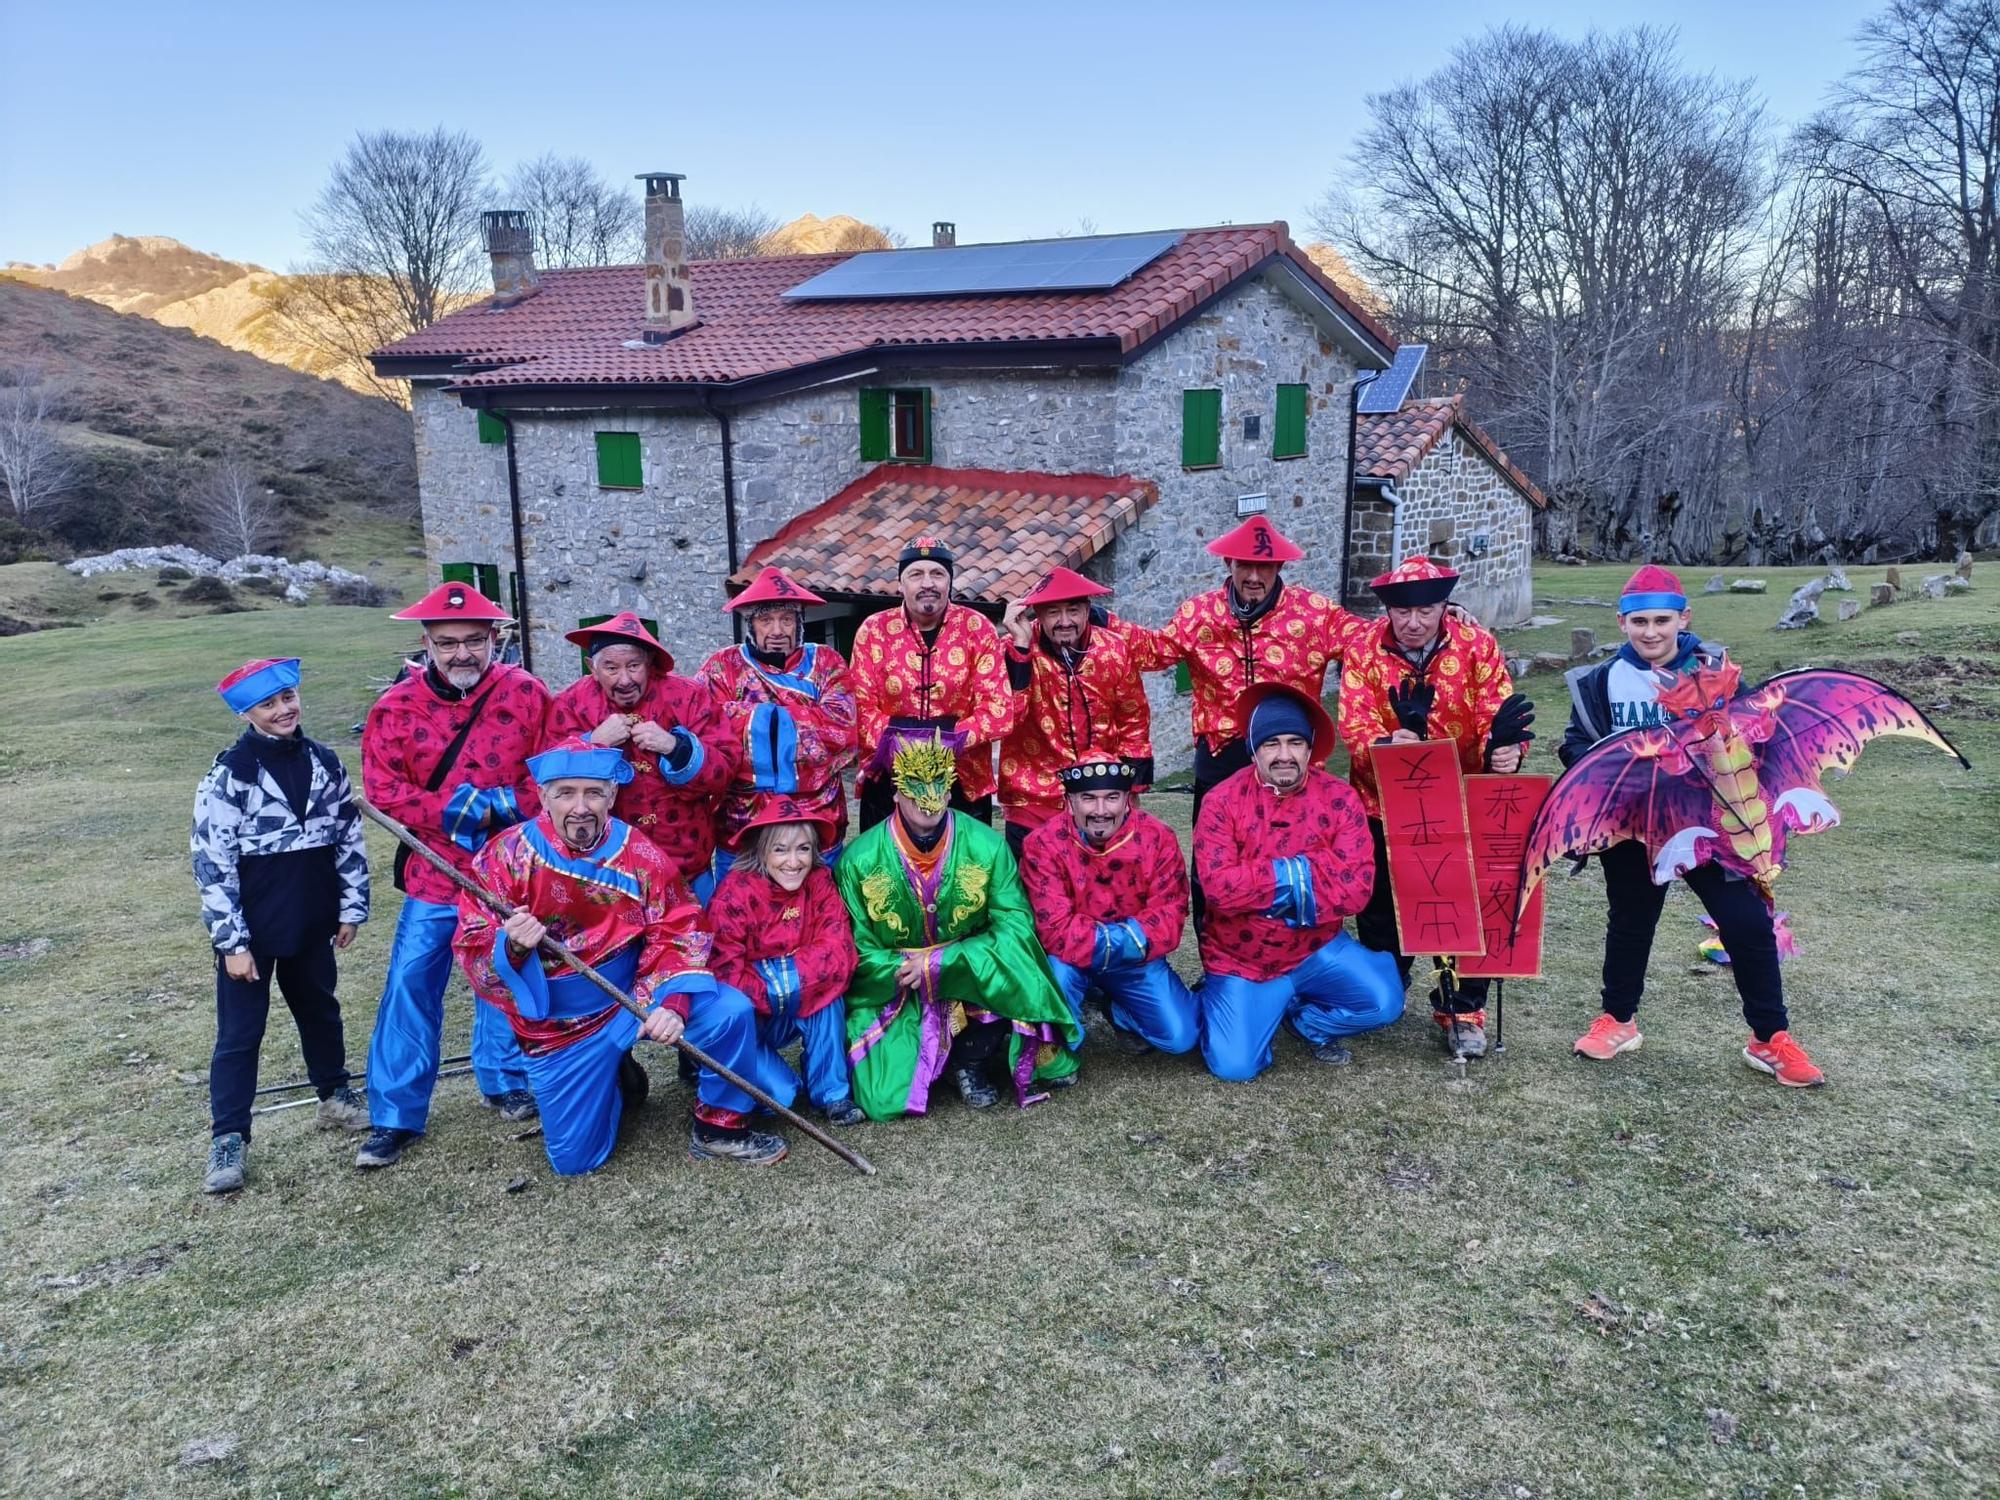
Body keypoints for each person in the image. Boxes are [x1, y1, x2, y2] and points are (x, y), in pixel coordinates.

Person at [452, 739, 798, 1170]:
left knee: (729, 1012)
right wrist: (512, 946)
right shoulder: (504, 857)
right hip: (562, 1024)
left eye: (594, 792)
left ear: (612, 795)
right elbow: (473, 946)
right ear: (542, 796)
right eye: (566, 793)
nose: (581, 807)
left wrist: (671, 1002)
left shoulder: (637, 851)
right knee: (576, 1161)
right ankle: (617, 1077)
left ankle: (719, 1127)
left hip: (637, 995)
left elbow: (679, 924)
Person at [1560, 565, 1823, 1087]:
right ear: (1622, 623)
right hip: (1633, 825)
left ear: (1684, 618)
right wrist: (1594, 760)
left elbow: (1758, 732)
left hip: (1712, 822)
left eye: (1662, 620)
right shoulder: (1600, 680)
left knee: (1746, 923)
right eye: (1639, 622)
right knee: (1631, 921)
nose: (1651, 632)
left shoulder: (1715, 669)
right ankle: (1618, 1019)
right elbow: (1576, 743)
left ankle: (1769, 1038)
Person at [355, 581, 546, 1170]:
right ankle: (394, 1114)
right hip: (434, 879)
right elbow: (384, 790)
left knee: (505, 974)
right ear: (426, 643)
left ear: (495, 640)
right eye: (447, 643)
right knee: (412, 985)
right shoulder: (394, 708)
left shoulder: (529, 694)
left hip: (507, 874)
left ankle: (504, 1077)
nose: (461, 653)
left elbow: (552, 773)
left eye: (473, 641)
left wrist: (498, 807)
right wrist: (459, 811)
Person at [1337, 555, 1535, 1058]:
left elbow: (1497, 709)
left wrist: (1506, 749)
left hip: (1462, 800)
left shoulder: (1476, 645)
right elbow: (1353, 725)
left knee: (1464, 906)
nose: (1414, 623)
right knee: (1381, 908)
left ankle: (1462, 1009)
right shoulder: (1363, 650)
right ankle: (1384, 990)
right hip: (1382, 801)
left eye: (1425, 611)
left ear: (1445, 606)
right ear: (1388, 611)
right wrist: (1391, 743)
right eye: (1403, 613)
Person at [1123, 516, 1367, 920]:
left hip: (1291, 758)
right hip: (1221, 755)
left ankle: (1296, 949)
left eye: (1264, 567)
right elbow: (1154, 651)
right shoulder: (1199, 613)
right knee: (1213, 862)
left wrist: (1443, 616)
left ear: (1279, 568)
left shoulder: (1315, 614)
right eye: (1244, 566)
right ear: (1228, 566)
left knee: (1290, 858)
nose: (1253, 576)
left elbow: (1371, 641)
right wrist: (1096, 622)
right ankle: (1216, 955)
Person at [191, 657, 370, 1193]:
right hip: (254, 928)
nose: (283, 709)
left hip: (312, 917)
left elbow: (347, 837)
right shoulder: (229, 776)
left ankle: (335, 1096)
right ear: (247, 713)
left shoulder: (325, 762)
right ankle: (229, 1138)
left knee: (320, 1010)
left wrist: (349, 907)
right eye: (267, 704)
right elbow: (211, 863)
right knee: (241, 1034)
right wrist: (231, 943)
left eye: (288, 696)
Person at [835, 732, 1080, 1117]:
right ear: (896, 792)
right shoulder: (859, 860)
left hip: (970, 976)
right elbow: (855, 945)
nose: (927, 799)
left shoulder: (987, 846)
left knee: (1015, 963)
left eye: (938, 785)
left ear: (951, 789)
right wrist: (904, 969)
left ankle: (972, 1057)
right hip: (898, 986)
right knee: (883, 1100)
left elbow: (1015, 926)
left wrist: (950, 961)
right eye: (915, 787)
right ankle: (937, 1058)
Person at [1195, 684, 1404, 1081]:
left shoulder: (1340, 799)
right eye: (1272, 744)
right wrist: (1308, 871)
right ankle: (1245, 1004)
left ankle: (1308, 1021)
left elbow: (1357, 889)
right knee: (1235, 1067)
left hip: (1317, 950)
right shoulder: (1221, 801)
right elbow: (1219, 889)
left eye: (1295, 742)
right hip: (1243, 960)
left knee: (1385, 1002)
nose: (1285, 755)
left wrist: (1258, 879)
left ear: (1311, 749)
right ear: (1254, 750)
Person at [542, 611, 740, 902]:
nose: (624, 679)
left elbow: (725, 770)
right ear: (592, 669)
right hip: (605, 875)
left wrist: (676, 747)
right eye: (611, 668)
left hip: (687, 870)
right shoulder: (571, 705)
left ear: (650, 664)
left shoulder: (688, 697)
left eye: (634, 666)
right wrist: (592, 743)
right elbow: (547, 779)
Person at [1020, 754, 1198, 1057]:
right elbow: (1053, 929)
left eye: (1112, 797)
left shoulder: (1159, 838)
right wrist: (1127, 938)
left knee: (1180, 1037)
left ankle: (1116, 1009)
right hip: (1070, 960)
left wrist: (1115, 943)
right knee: (1056, 1007)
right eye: (1088, 798)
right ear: (1070, 801)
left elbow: (1169, 916)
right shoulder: (1042, 844)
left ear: (1127, 799)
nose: (1100, 811)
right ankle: (1066, 1037)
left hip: (1136, 960)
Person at [707, 797, 866, 1127]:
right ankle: (716, 1064)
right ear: (761, 851)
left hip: (801, 1000)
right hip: (752, 1016)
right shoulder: (733, 894)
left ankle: (832, 1093)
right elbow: (726, 974)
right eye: (780, 850)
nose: (793, 862)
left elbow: (838, 952)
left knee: (829, 1001)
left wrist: (770, 973)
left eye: (803, 849)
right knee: (782, 1098)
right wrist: (789, 976)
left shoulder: (820, 882)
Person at [847, 536, 1014, 830]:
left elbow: (998, 710)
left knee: (965, 872)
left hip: (963, 780)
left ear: (950, 581)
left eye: (937, 574)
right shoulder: (874, 630)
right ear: (901, 583)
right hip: (889, 779)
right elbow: (859, 710)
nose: (928, 583)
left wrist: (947, 741)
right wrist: (909, 743)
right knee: (886, 871)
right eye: (916, 574)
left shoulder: (978, 628)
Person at [697, 567, 858, 860]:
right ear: (751, 625)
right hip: (742, 827)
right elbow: (710, 735)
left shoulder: (826, 662)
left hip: (817, 821)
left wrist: (750, 720)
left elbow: (841, 731)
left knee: (820, 904)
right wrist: (801, 720)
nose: (777, 631)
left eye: (786, 619)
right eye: (765, 619)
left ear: (799, 623)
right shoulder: (723, 666)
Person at [998, 566, 1154, 859]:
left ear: (1087, 611)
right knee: (1030, 892)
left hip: (1100, 795)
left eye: (1073, 610)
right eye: (1053, 612)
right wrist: (1020, 650)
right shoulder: (1011, 650)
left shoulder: (1115, 650)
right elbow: (1006, 717)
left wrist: (1131, 787)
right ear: (1038, 615)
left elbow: (1134, 720)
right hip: (1032, 797)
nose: (1065, 621)